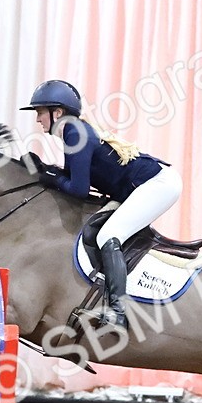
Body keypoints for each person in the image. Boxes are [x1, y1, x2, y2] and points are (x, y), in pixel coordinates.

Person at [21, 79, 182, 328]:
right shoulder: (73, 131)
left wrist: (46, 175)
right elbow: (72, 178)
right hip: (147, 184)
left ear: (58, 113)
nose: (38, 119)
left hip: (158, 184)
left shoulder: (75, 133)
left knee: (109, 235)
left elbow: (78, 189)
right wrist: (47, 170)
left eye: (40, 112)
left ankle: (118, 310)